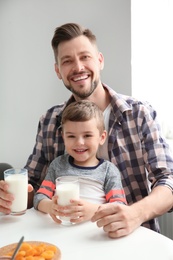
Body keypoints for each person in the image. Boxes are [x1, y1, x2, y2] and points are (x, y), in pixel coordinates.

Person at [0, 22, 173, 238]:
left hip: (130, 239)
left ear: (100, 60)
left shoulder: (138, 114)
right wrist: (11, 197)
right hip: (64, 240)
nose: (78, 67)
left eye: (85, 57)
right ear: (58, 71)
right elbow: (34, 186)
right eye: (67, 61)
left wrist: (135, 214)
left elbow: (168, 179)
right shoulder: (50, 120)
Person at [33, 100, 127, 224]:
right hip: (60, 230)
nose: (79, 143)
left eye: (87, 136)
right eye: (71, 136)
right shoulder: (57, 165)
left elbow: (119, 207)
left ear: (101, 137)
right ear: (63, 137)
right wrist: (50, 206)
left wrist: (93, 210)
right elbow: (39, 197)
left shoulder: (108, 170)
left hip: (94, 235)